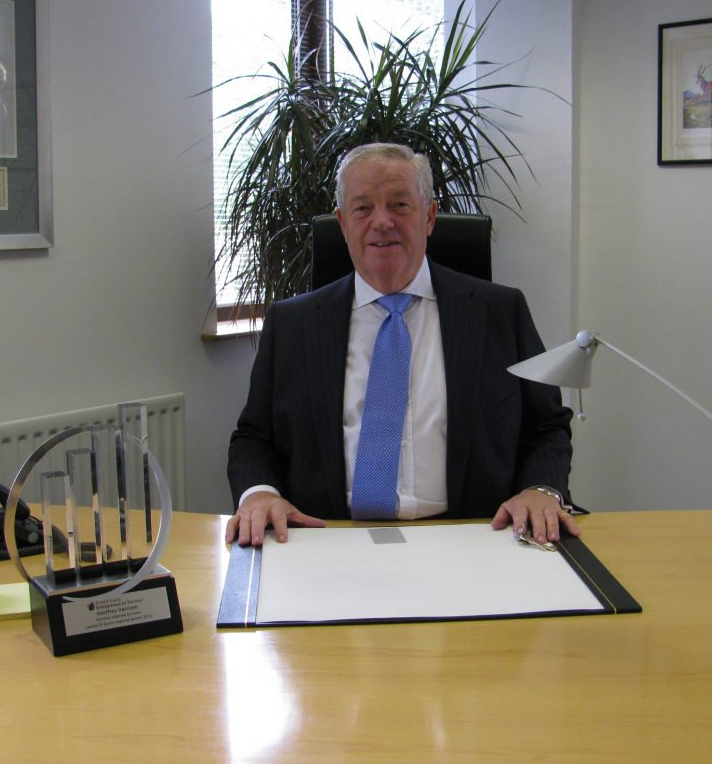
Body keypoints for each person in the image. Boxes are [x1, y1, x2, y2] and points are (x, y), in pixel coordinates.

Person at [225, 142, 577, 547]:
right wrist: (260, 494)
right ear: (342, 223)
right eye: (362, 209)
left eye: (399, 205)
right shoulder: (293, 323)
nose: (381, 222)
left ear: (428, 216)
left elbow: (546, 426)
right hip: (324, 541)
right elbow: (253, 438)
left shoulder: (500, 312)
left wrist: (540, 489)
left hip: (475, 539)